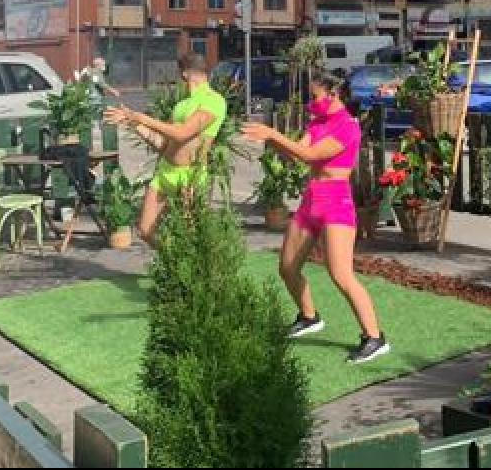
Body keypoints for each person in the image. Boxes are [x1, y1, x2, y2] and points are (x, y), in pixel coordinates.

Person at [240, 71, 389, 364]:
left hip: (337, 204)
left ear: (334, 95)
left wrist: (272, 134)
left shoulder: (348, 127)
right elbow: (298, 153)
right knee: (287, 267)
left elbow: (311, 155)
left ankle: (374, 337)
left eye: (315, 97)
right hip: (311, 201)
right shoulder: (317, 122)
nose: (312, 103)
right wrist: (270, 141)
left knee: (340, 274)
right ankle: (309, 317)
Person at [104, 53, 227, 246]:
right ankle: (171, 263)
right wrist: (131, 122)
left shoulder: (214, 100)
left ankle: (186, 270)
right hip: (165, 173)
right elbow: (162, 143)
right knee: (145, 230)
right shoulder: (181, 106)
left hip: (191, 175)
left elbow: (182, 133)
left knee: (189, 235)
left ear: (185, 74)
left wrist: (141, 117)